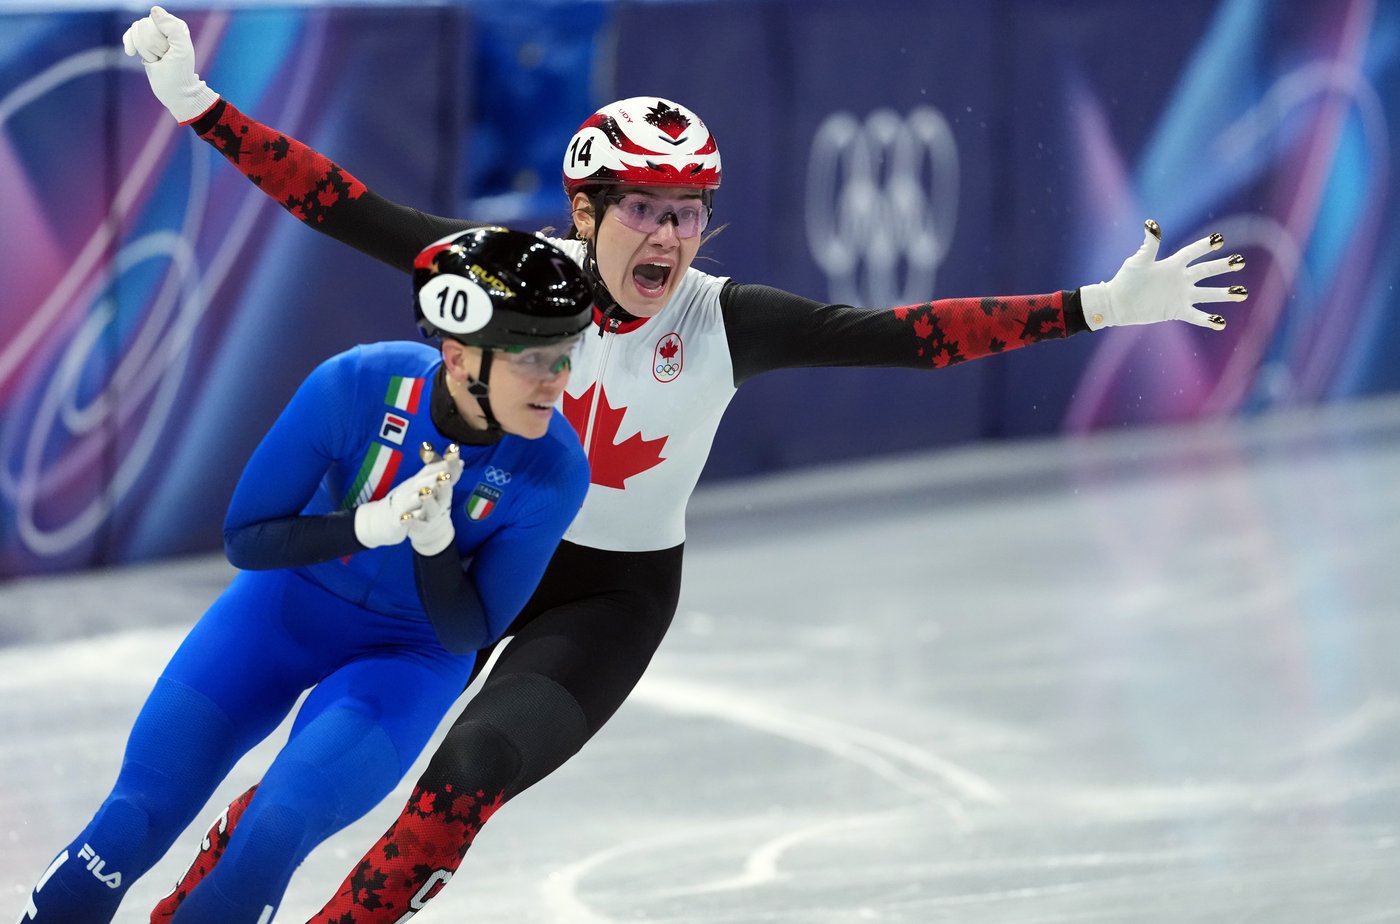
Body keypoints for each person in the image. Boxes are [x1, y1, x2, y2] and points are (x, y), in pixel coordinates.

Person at [116, 7, 1249, 922]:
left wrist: (1098, 307)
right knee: (314, 777)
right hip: (470, 553)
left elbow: (908, 337)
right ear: (584, 209)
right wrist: (200, 107)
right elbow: (345, 208)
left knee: (467, 776)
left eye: (689, 214)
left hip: (603, 598)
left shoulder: (724, 321)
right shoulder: (510, 275)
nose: (667, 237)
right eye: (644, 211)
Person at [14, 226, 594, 923]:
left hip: (408, 656)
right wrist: (367, 525)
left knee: (274, 830)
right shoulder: (357, 384)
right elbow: (246, 539)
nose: (556, 381)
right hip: (281, 609)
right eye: (534, 360)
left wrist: (435, 544)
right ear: (458, 355)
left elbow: (471, 631)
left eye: (565, 356)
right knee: (134, 816)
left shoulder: (556, 470)